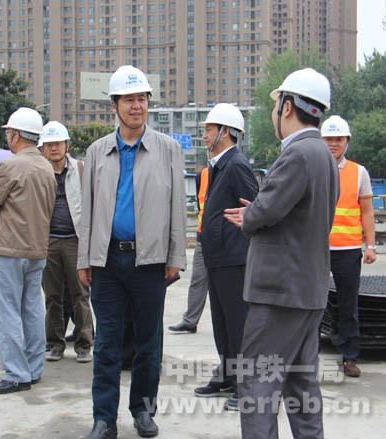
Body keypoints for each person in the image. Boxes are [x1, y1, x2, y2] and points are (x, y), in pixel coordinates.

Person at [224, 68, 339, 439]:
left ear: (287, 107)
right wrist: (259, 210)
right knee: (300, 385)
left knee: (257, 384)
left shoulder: (297, 155)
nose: (275, 112)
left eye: (276, 106)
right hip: (308, 290)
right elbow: (290, 211)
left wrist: (251, 215)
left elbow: (266, 211)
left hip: (279, 293)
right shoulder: (324, 155)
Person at [77, 65, 186, 439]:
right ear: (114, 105)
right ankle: (103, 418)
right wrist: (84, 259)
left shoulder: (168, 150)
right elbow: (88, 209)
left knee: (148, 343)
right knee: (106, 344)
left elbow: (177, 207)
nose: (136, 106)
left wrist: (175, 257)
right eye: (128, 100)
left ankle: (143, 410)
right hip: (107, 261)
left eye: (141, 99)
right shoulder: (97, 152)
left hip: (149, 262)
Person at [0, 107, 56, 395]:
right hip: (37, 248)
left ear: (15, 135)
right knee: (32, 309)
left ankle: (15, 373)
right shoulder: (46, 167)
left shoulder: (10, 165)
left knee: (6, 311)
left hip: (9, 248)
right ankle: (33, 369)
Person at [193, 104, 258, 411]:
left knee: (238, 325)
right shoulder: (218, 166)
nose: (205, 134)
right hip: (218, 256)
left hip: (235, 258)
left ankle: (247, 386)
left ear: (227, 131)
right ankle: (228, 376)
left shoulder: (237, 165)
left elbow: (254, 207)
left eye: (210, 129)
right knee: (221, 324)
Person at [321, 115, 376, 377]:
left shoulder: (358, 172)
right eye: (329, 139)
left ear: (347, 141)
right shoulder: (313, 168)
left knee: (347, 305)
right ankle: (306, 354)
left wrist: (371, 245)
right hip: (316, 249)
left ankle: (349, 356)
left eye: (339, 139)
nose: (334, 144)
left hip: (348, 250)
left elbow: (367, 211)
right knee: (312, 302)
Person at [39, 121, 94, 363]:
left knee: (80, 293)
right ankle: (55, 344)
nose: (54, 148)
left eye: (58, 143)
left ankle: (84, 344)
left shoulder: (80, 169)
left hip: (75, 241)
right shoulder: (39, 172)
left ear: (67, 145)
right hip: (48, 241)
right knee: (52, 296)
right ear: (42, 148)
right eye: (49, 144)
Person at [168, 165, 209, 334]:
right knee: (198, 280)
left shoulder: (233, 168)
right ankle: (190, 321)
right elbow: (201, 206)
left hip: (223, 240)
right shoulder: (203, 175)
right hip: (203, 235)